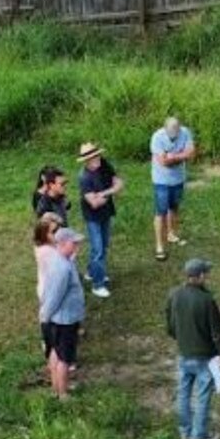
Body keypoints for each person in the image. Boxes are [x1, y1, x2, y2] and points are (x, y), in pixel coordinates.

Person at [166, 258, 220, 439]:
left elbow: (170, 325)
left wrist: (180, 339)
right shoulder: (207, 300)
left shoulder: (174, 295)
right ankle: (198, 436)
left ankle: (185, 433)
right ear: (200, 276)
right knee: (202, 397)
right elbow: (217, 333)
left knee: (183, 394)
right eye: (205, 273)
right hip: (204, 357)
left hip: (184, 354)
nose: (207, 276)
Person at [39, 228, 87, 399]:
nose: (77, 247)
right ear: (63, 243)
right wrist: (45, 315)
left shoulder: (60, 261)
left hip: (57, 319)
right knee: (64, 358)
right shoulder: (62, 268)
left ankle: (56, 388)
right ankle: (63, 395)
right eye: (74, 243)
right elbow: (55, 296)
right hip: (64, 321)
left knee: (55, 353)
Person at [78, 142, 124, 298]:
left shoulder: (104, 165)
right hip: (93, 217)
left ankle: (92, 272)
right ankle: (98, 285)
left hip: (106, 213)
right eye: (92, 157)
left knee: (103, 246)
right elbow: (94, 203)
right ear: (86, 161)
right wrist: (105, 195)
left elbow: (119, 184)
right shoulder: (84, 177)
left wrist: (103, 193)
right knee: (98, 249)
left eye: (96, 155)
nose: (96, 158)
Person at [150, 117, 197, 261]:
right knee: (160, 212)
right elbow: (163, 162)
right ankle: (159, 246)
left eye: (176, 130)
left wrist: (173, 156)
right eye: (171, 131)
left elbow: (192, 154)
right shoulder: (157, 137)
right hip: (161, 180)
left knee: (174, 208)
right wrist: (182, 156)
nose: (175, 134)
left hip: (178, 179)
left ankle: (171, 234)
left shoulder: (185, 132)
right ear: (165, 129)